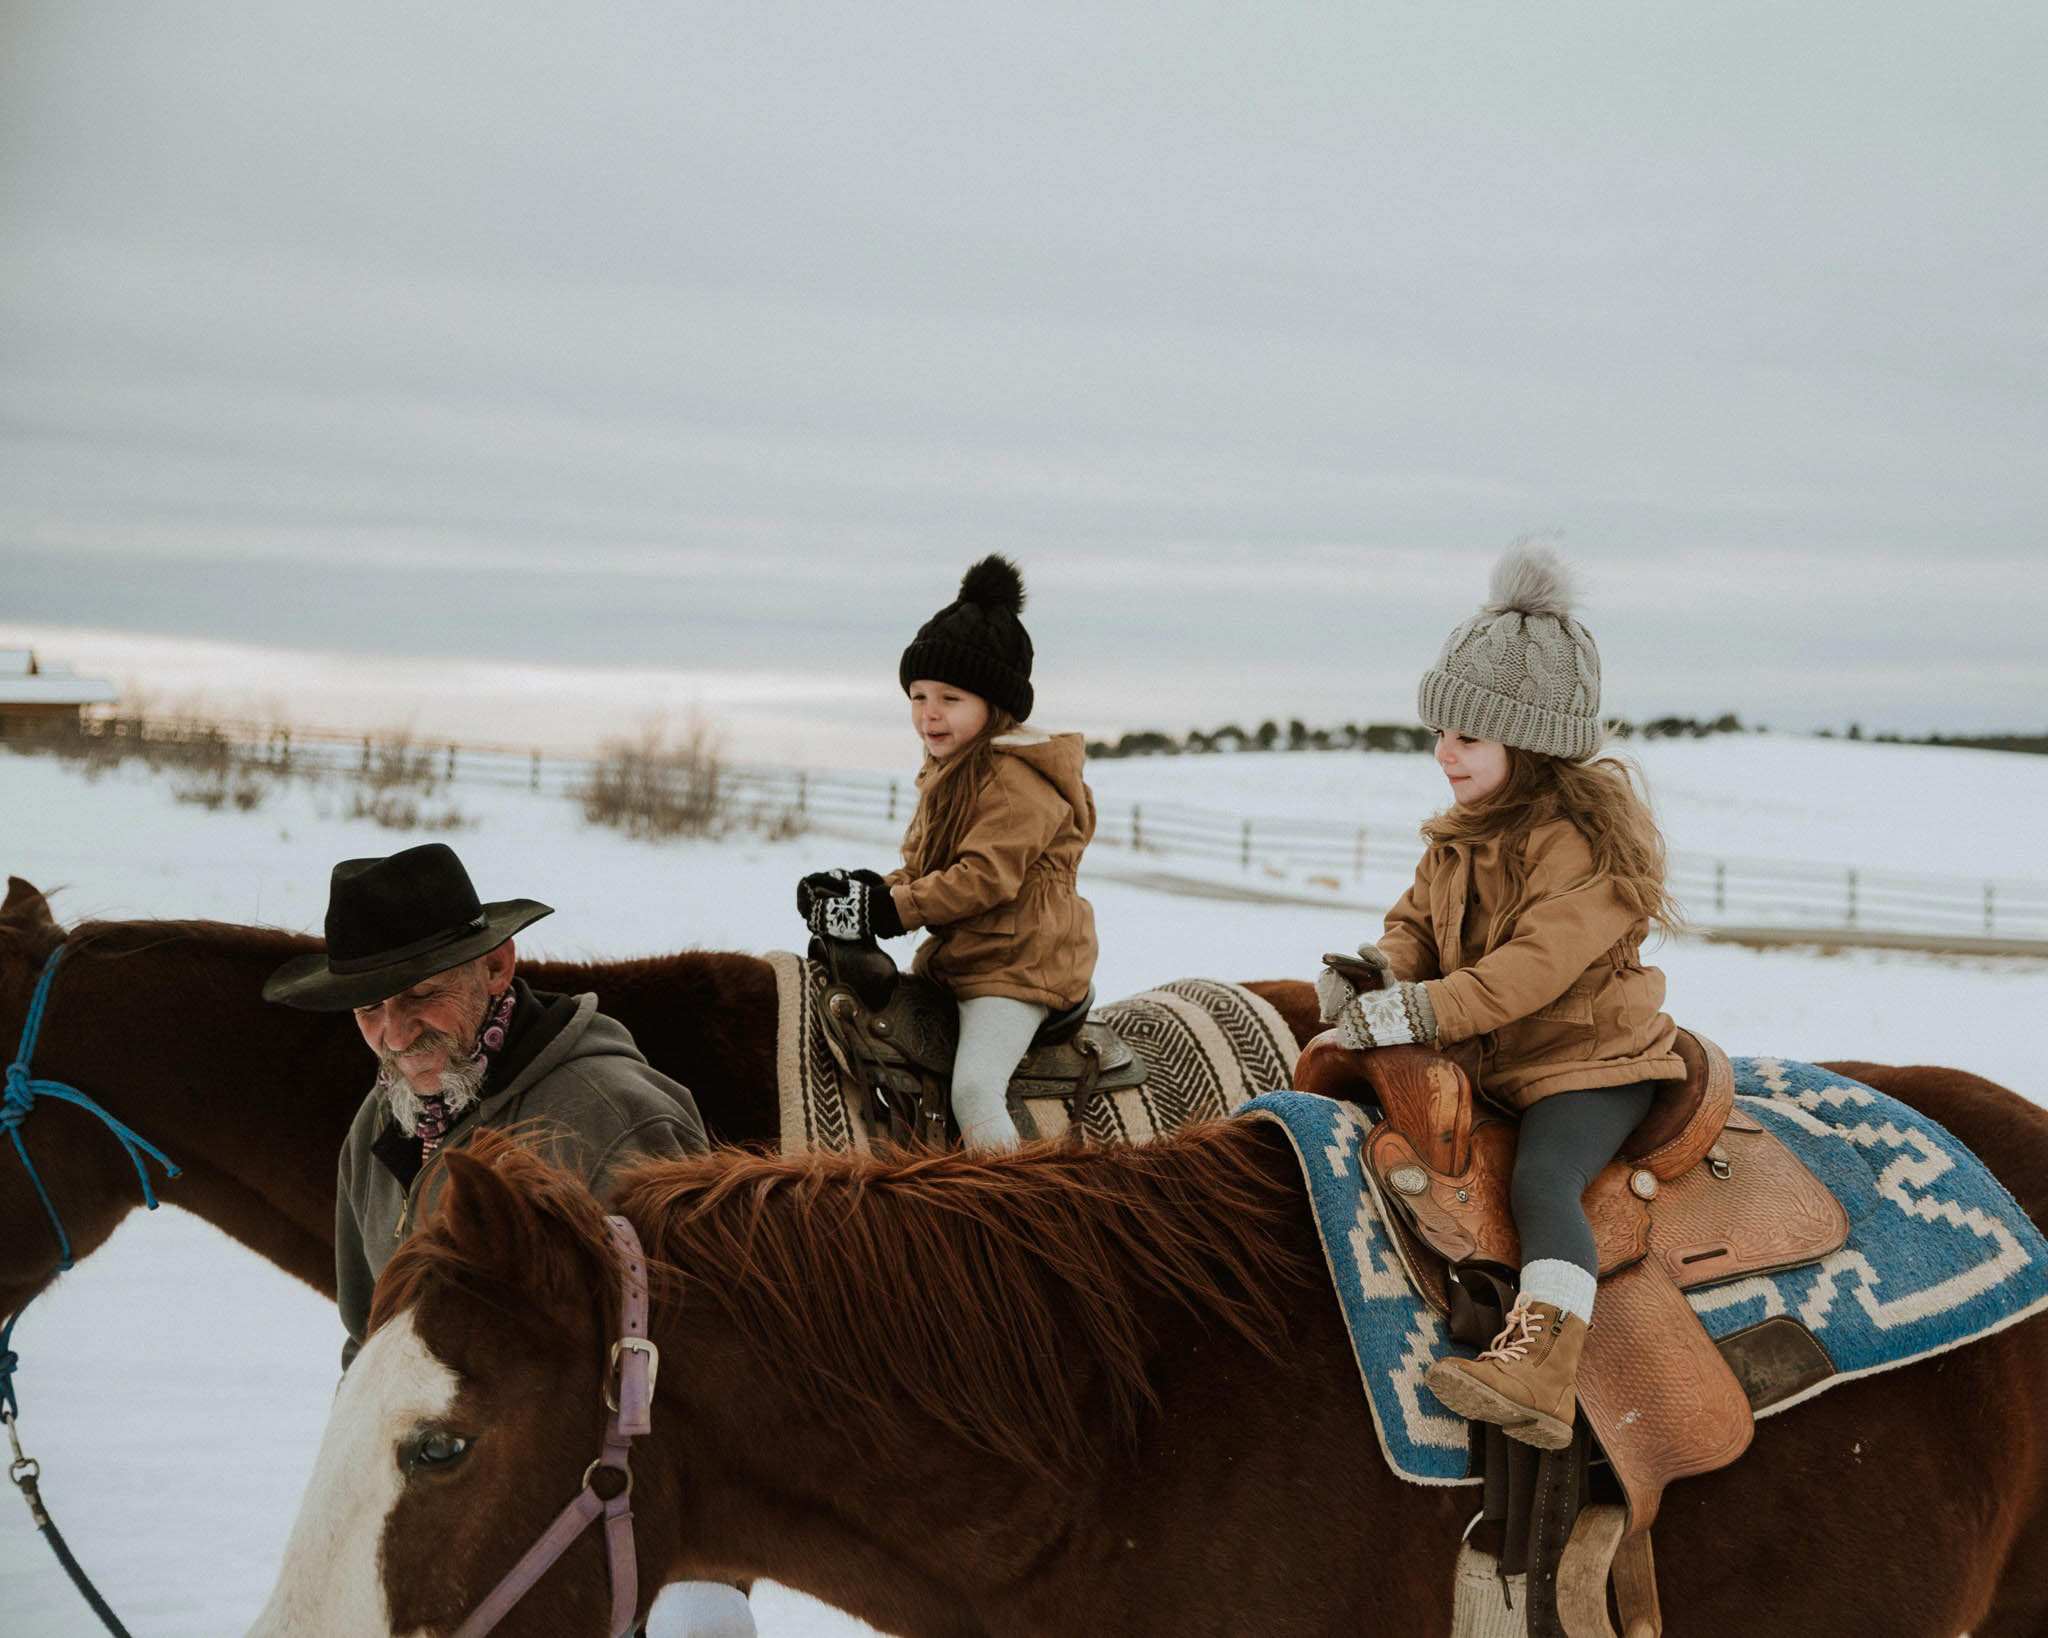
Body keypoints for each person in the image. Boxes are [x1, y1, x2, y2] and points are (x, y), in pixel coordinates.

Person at [1314, 540, 1684, 1450]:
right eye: (1440, 732)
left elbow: (1533, 967)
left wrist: (1427, 1011)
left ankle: (1546, 1365)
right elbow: (1415, 923)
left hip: (1585, 1064)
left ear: (1533, 744)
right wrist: (1382, 969)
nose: (1443, 753)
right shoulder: (1460, 835)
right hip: (1492, 1061)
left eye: (1466, 736)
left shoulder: (1585, 847)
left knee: (1543, 1180)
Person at [261, 842, 710, 1370]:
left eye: (422, 993)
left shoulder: (611, 1120)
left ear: (496, 966)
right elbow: (369, 1343)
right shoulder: (380, 1120)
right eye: (368, 1007)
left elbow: (686, 1365)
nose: (397, 1038)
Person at [797, 554, 1098, 1151]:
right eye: (918, 696)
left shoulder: (1018, 781)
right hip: (964, 960)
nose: (929, 714)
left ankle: (1012, 1203)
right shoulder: (950, 773)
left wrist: (892, 910)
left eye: (950, 698)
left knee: (974, 1090)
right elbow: (925, 870)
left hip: (1020, 968)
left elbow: (983, 878)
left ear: (995, 705)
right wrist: (870, 890)